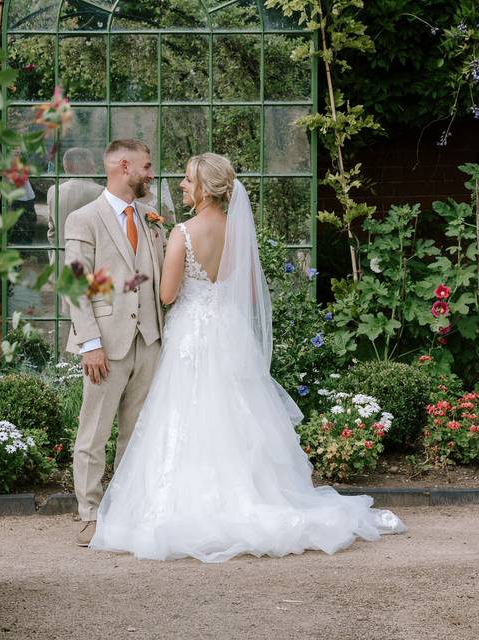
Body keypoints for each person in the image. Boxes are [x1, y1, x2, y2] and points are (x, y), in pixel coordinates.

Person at [89, 153, 406, 561]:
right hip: (228, 333)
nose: (182, 186)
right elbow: (252, 293)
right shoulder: (239, 233)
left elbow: (167, 295)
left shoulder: (183, 233)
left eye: (187, 181)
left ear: (204, 188)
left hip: (192, 335)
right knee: (235, 413)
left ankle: (190, 505)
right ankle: (251, 495)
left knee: (188, 413)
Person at [62, 139, 167, 547]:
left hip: (150, 340)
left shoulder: (150, 216)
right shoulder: (83, 219)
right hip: (105, 343)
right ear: (124, 166)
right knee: (94, 432)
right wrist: (90, 343)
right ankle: (89, 513)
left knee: (136, 434)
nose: (152, 174)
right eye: (147, 166)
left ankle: (123, 512)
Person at [47, 147, 104, 255]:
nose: (95, 167)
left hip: (60, 260)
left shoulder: (53, 191)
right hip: (89, 261)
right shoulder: (100, 192)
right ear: (88, 166)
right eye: (92, 164)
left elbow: (52, 233)